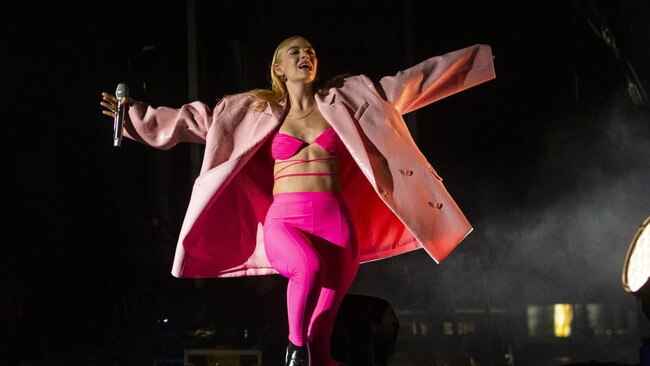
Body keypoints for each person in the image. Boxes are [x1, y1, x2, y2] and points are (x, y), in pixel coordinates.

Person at [100, 35, 495, 366]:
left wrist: (480, 57)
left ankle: (306, 351)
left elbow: (413, 82)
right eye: (295, 52)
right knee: (304, 270)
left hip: (338, 225)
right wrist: (134, 115)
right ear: (279, 69)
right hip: (285, 221)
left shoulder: (349, 99)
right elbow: (187, 120)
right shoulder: (249, 110)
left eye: (310, 52)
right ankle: (292, 346)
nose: (305, 56)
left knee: (322, 345)